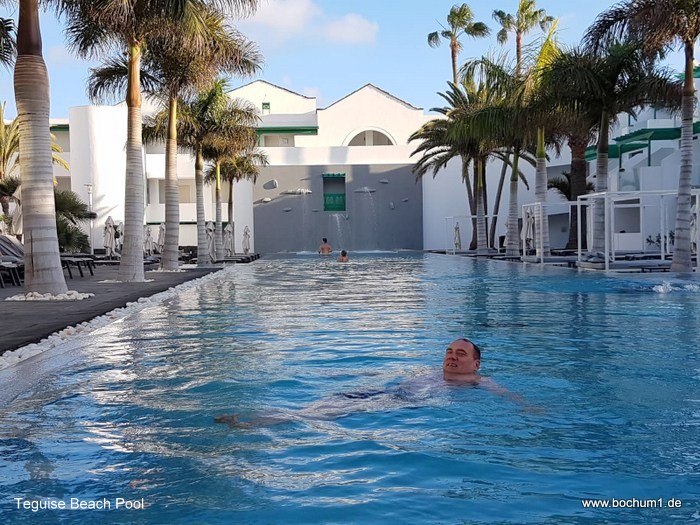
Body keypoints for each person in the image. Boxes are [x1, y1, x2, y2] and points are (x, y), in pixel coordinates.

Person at [215, 337, 537, 426]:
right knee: (328, 402)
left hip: (400, 404)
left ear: (475, 363)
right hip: (386, 392)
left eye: (460, 354)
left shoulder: (480, 381)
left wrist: (528, 409)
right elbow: (390, 374)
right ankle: (263, 418)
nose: (452, 357)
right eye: (449, 351)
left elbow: (509, 397)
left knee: (325, 414)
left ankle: (253, 424)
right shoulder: (429, 371)